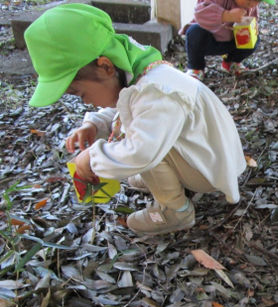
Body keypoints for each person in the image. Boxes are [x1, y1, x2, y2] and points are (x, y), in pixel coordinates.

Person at [24, 3, 246, 235]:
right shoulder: (140, 74)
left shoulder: (158, 93)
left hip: (207, 169)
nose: (86, 102)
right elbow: (125, 104)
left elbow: (142, 152)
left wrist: (93, 156)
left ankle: (176, 211)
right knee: (142, 144)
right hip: (203, 154)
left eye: (81, 94)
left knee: (142, 149)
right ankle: (171, 179)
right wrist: (95, 124)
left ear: (105, 67)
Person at [180, 0, 275, 81]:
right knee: (195, 32)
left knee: (253, 39)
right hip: (209, 38)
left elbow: (254, 18)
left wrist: (253, 26)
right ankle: (196, 68)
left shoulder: (249, 7)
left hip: (232, 41)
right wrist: (226, 16)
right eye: (250, 0)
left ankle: (231, 61)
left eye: (258, 1)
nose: (253, 4)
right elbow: (200, 13)